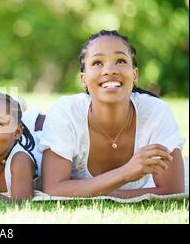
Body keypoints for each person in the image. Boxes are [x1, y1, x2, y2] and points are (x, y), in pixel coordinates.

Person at [39, 30, 185, 198]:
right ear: (83, 79)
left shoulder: (156, 113)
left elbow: (172, 191)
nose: (109, 70)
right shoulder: (65, 113)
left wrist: (90, 191)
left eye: (121, 61)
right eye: (97, 63)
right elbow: (53, 188)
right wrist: (126, 172)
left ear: (135, 75)